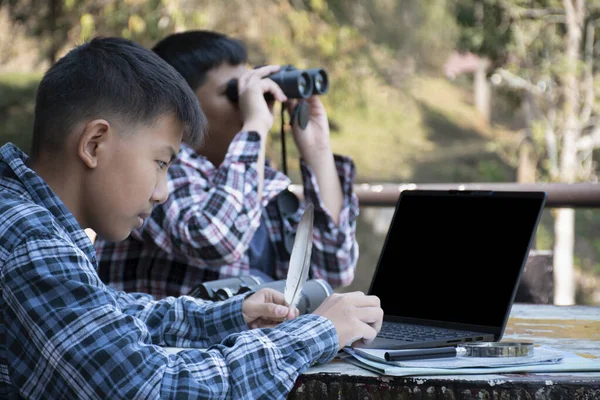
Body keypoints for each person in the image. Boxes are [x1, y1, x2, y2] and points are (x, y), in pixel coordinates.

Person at [0, 36, 383, 398]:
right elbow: (150, 389)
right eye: (161, 162)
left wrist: (234, 315)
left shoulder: (31, 222)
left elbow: (117, 315)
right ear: (94, 144)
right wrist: (317, 333)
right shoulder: (30, 240)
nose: (162, 191)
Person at [93, 30, 360, 298]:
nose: (249, 104)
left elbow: (335, 270)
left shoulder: (249, 176)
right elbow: (216, 240)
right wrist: (254, 125)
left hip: (255, 341)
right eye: (234, 94)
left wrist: (318, 150)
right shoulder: (159, 169)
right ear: (181, 108)